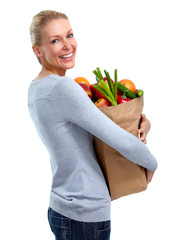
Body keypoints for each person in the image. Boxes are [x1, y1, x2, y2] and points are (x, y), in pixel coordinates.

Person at [28, 10, 157, 240]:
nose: (68, 45)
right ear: (38, 50)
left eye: (69, 35)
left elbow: (92, 130)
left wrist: (143, 125)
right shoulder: (63, 88)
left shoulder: (36, 88)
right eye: (55, 40)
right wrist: (151, 162)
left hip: (62, 207)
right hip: (84, 213)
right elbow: (115, 137)